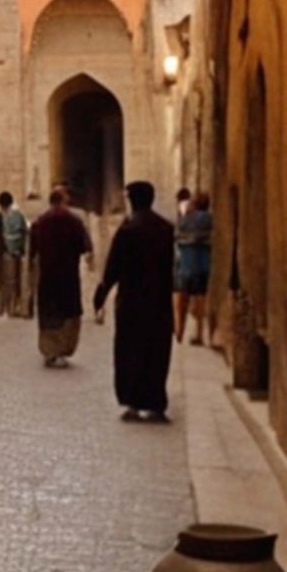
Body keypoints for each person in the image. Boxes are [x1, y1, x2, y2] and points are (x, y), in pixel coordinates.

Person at [96, 180, 178, 422]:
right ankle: (155, 402)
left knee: (129, 351)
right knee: (156, 351)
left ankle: (132, 400)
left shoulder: (128, 230)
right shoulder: (165, 229)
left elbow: (113, 267)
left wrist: (101, 293)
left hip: (131, 302)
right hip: (159, 303)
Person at [28, 186, 92, 367]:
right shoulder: (74, 221)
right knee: (68, 313)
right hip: (68, 275)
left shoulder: (40, 222)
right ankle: (62, 350)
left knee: (49, 313)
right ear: (64, 200)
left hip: (47, 275)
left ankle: (50, 351)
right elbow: (85, 246)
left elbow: (32, 251)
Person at [175, 190, 215, 346]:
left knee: (181, 300)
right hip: (203, 264)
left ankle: (179, 331)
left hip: (186, 264)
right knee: (200, 299)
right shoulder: (209, 219)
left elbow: (179, 233)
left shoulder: (189, 218)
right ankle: (199, 334)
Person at [0, 191, 28, 319]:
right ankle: (13, 307)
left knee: (2, 282)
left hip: (2, 254)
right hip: (15, 253)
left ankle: (3, 307)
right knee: (15, 281)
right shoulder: (19, 216)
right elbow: (25, 233)